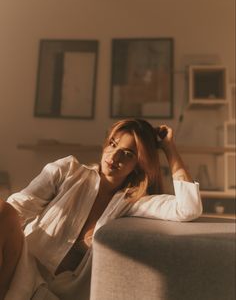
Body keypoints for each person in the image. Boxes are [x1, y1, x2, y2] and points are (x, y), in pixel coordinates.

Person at [0, 119, 202, 300]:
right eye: (113, 144)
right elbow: (16, 209)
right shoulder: (66, 171)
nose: (114, 155)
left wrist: (169, 148)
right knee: (3, 210)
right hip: (20, 269)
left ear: (139, 164)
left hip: (55, 293)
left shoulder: (133, 202)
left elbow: (188, 208)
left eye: (128, 153)